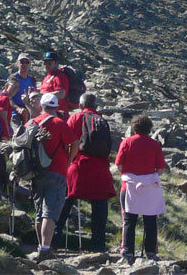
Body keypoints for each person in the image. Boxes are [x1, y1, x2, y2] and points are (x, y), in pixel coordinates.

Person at [52, 92, 115, 252]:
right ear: (96, 106)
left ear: (80, 106)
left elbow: (68, 141)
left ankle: (54, 238)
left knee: (64, 203)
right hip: (100, 170)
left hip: (78, 167)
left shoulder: (76, 118)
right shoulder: (102, 120)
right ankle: (98, 245)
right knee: (99, 207)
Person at [30, 92, 78, 263]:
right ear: (56, 107)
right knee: (49, 213)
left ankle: (39, 246)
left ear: (41, 106)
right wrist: (70, 160)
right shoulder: (59, 123)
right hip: (57, 171)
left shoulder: (32, 122)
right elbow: (75, 143)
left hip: (36, 173)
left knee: (38, 212)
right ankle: (45, 249)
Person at [114, 114, 167, 264]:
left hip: (129, 186)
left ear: (134, 127)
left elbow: (119, 165)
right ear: (149, 128)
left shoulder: (127, 142)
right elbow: (161, 168)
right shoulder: (155, 145)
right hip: (150, 187)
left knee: (129, 220)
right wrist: (150, 177)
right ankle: (151, 252)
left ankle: (127, 252)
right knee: (150, 220)